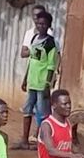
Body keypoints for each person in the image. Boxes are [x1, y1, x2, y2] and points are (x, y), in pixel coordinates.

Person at [17, 10, 60, 148]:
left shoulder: (50, 42)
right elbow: (31, 61)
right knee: (27, 110)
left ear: (48, 25)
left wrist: (48, 84)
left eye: (43, 24)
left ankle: (42, 141)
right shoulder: (34, 39)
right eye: (38, 23)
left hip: (42, 84)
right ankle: (24, 140)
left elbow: (51, 65)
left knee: (42, 114)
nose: (40, 26)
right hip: (32, 82)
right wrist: (25, 79)